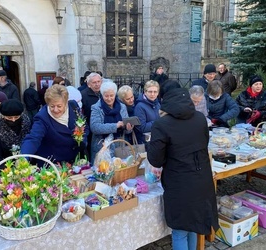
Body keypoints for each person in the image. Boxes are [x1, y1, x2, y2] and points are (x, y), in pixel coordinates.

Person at [146, 87, 219, 250]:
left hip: (179, 182)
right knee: (192, 225)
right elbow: (203, 144)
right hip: (201, 178)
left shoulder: (162, 124)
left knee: (180, 230)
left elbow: (155, 160)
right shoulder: (200, 118)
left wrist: (152, 144)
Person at [21, 84, 89, 164]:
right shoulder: (42, 118)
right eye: (52, 106)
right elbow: (33, 138)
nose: (56, 110)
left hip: (75, 161)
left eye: (59, 106)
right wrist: (23, 158)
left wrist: (82, 140)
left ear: (66, 103)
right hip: (53, 164)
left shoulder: (73, 106)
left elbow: (84, 126)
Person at [90, 80, 133, 164]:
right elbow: (95, 127)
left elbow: (126, 126)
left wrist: (128, 128)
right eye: (106, 96)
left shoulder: (122, 107)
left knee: (121, 170)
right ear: (102, 95)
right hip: (102, 146)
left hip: (120, 146)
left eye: (111, 95)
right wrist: (115, 126)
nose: (109, 98)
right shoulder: (96, 108)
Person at [0, 99, 31, 174]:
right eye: (9, 118)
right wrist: (9, 172)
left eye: (16, 117)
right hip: (5, 168)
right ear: (3, 116)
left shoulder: (27, 123)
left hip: (27, 166)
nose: (13, 120)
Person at [81, 72, 102, 157]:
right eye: (94, 82)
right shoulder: (83, 95)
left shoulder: (104, 93)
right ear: (89, 84)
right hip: (90, 130)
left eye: (98, 81)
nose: (97, 84)